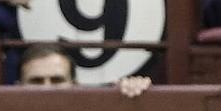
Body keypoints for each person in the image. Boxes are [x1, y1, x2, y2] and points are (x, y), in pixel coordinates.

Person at [18, 42, 151, 98]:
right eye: (36, 81)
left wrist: (134, 96)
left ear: (75, 86)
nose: (46, 89)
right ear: (19, 87)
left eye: (57, 80)